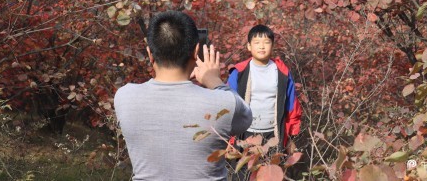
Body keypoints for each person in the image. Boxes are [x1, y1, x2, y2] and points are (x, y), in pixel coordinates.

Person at [114, 11, 252, 181]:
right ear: (196, 51)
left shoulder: (125, 97)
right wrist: (214, 80)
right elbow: (245, 117)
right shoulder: (223, 102)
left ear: (150, 54)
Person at [227, 24, 302, 153]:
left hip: (273, 135)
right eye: (257, 42)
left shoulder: (282, 72)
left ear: (272, 45)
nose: (262, 46)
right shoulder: (239, 73)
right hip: (245, 134)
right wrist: (229, 139)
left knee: (271, 171)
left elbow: (292, 107)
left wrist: (291, 137)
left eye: (266, 42)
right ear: (249, 46)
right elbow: (228, 106)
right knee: (244, 171)